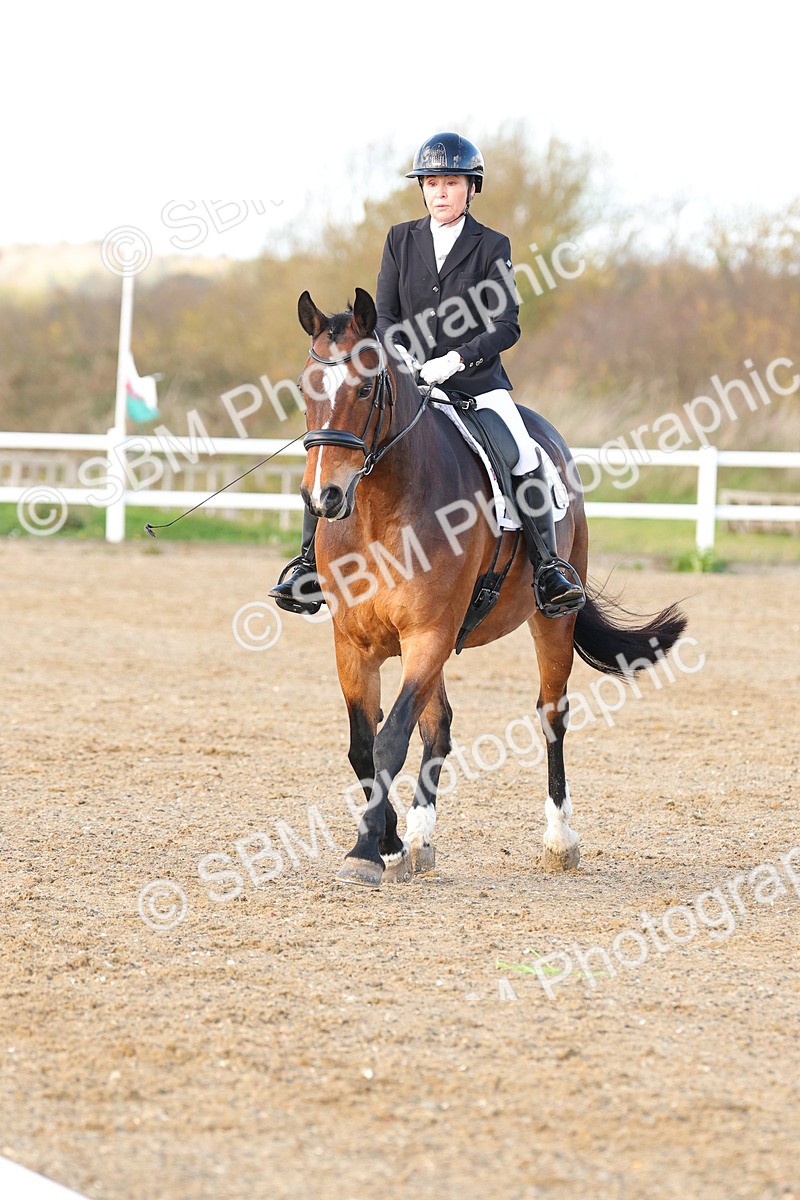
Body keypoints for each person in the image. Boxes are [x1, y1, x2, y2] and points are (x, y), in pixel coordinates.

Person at [270, 131, 585, 618]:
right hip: (409, 381)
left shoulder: (491, 245)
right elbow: (387, 314)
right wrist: (404, 353)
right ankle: (308, 564)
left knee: (523, 454)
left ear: (471, 188)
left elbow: (506, 325)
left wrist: (456, 360)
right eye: (432, 182)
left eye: (451, 183)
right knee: (335, 443)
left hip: (475, 385)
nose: (440, 192)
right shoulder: (400, 239)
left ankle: (548, 567)